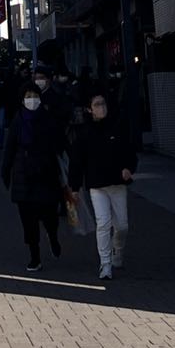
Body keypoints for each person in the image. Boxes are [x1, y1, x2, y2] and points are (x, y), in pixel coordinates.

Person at [68, 90, 136, 281]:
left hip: (118, 183)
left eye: (103, 103)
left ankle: (118, 252)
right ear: (89, 109)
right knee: (103, 223)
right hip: (97, 185)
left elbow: (130, 151)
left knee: (122, 225)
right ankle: (105, 264)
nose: (101, 108)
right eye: (97, 104)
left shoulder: (118, 127)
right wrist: (74, 187)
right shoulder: (84, 133)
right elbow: (77, 162)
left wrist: (129, 168)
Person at [2, 82, 63, 273]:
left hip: (47, 175)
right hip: (23, 176)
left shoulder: (48, 119)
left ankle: (53, 237)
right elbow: (10, 147)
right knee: (28, 221)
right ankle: (35, 257)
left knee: (50, 216)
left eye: (35, 95)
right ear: (22, 99)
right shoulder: (18, 120)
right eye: (28, 96)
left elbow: (60, 144)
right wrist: (5, 171)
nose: (32, 100)